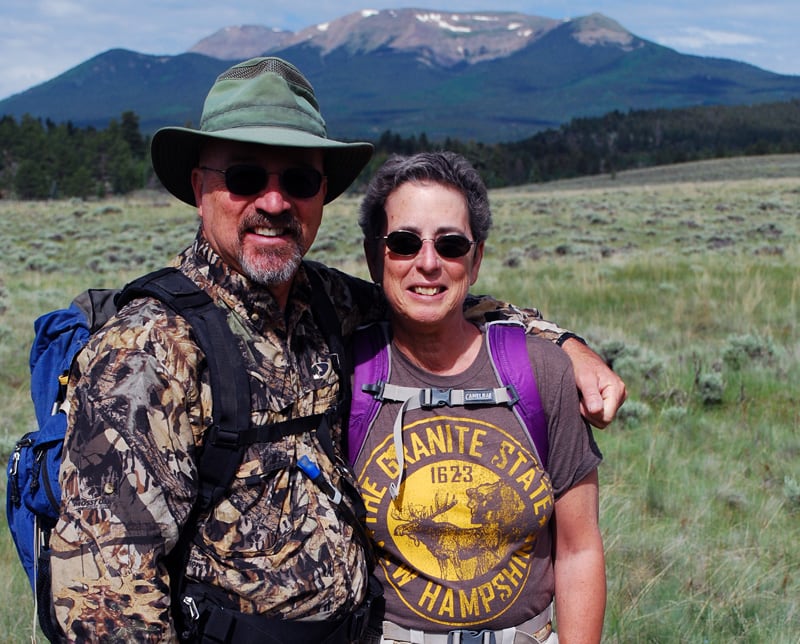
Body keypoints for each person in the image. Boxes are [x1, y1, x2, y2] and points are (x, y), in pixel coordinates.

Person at [49, 57, 621, 642]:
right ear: (200, 188)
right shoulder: (150, 351)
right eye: (246, 177)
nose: (274, 202)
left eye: (298, 180)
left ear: (322, 195)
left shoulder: (322, 301)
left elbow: (432, 297)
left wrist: (564, 345)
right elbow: (103, 600)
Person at [352, 152, 606, 643]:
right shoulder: (345, 373)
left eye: (450, 245)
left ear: (477, 257)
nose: (428, 263)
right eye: (404, 244)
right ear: (374, 255)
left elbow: (579, 550)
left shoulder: (542, 371)